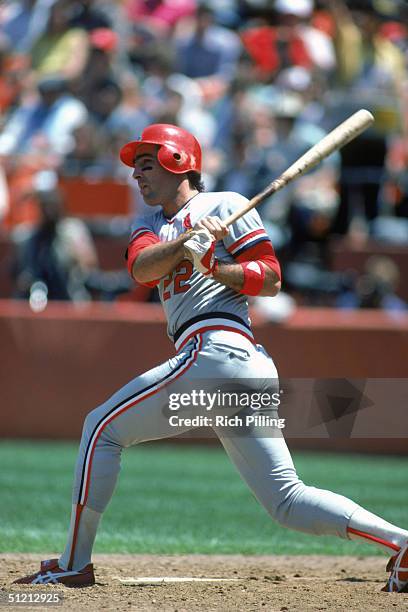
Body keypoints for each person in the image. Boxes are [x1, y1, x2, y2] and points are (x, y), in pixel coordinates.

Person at [15, 124, 408, 592]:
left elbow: (270, 279)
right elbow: (142, 268)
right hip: (230, 371)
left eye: (146, 163)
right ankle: (401, 541)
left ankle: (74, 563)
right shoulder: (149, 226)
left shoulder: (224, 205)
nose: (137, 175)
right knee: (285, 501)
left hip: (219, 351)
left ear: (178, 161)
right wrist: (187, 245)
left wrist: (215, 266)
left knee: (101, 429)